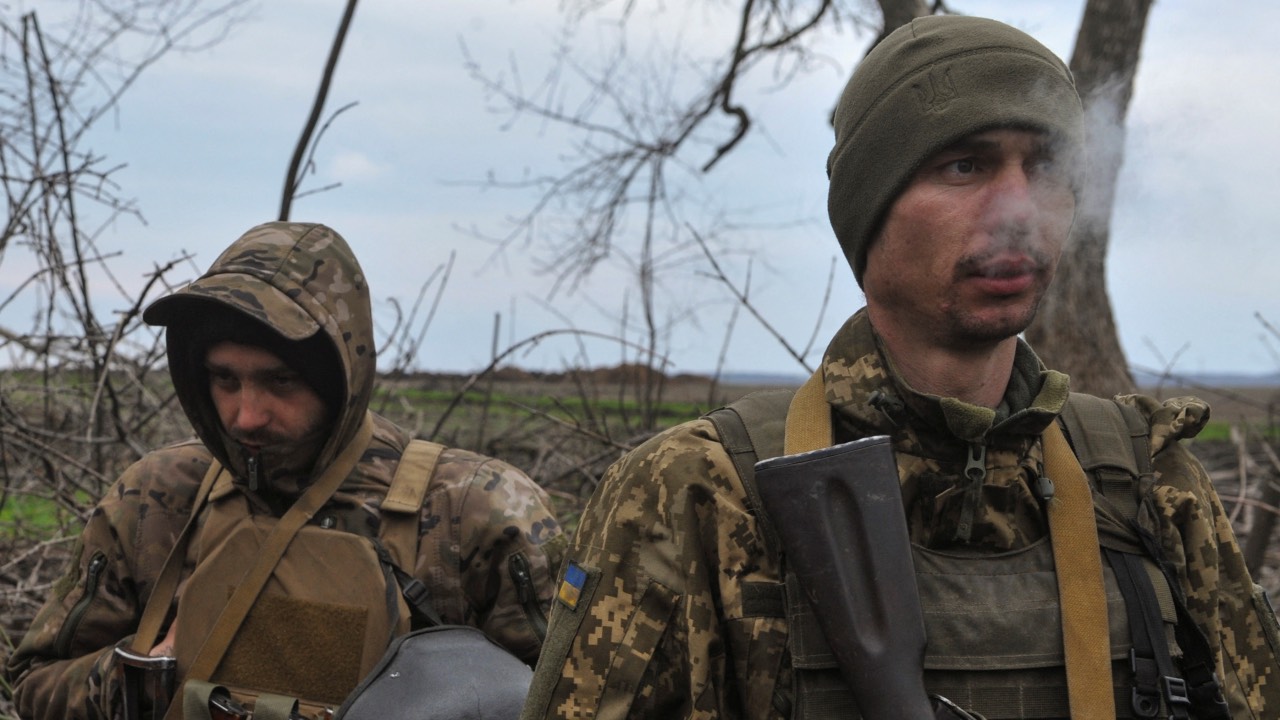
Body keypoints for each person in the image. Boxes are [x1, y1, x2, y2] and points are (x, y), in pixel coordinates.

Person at [520, 15, 1280, 720]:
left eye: (1045, 165)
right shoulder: (701, 493)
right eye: (964, 165)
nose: (1018, 208)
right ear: (870, 207)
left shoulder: (1145, 481)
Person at [6, 221, 566, 718]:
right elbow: (33, 685)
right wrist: (146, 674)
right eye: (225, 380)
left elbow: (575, 703)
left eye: (280, 381)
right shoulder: (158, 499)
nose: (246, 415)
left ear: (339, 376)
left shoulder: (471, 512)